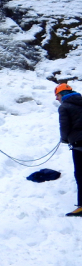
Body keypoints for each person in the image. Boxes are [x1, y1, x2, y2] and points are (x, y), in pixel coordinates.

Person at [55, 83, 82, 217]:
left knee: (81, 174)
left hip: (79, 144)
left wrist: (64, 138)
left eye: (57, 96)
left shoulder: (64, 107)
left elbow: (64, 127)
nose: (57, 99)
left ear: (61, 94)